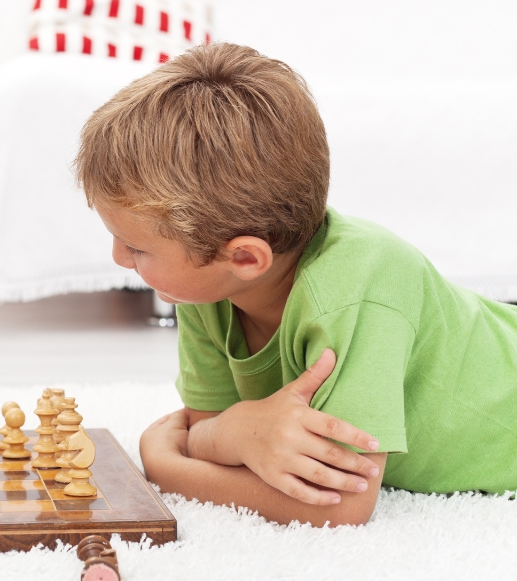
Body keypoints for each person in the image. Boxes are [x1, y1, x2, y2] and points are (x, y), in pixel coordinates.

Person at [74, 42, 517, 526]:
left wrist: (163, 464)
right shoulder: (207, 288)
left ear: (244, 256)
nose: (118, 258)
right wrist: (222, 435)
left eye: (136, 248)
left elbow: (343, 505)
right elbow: (215, 437)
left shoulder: (357, 288)